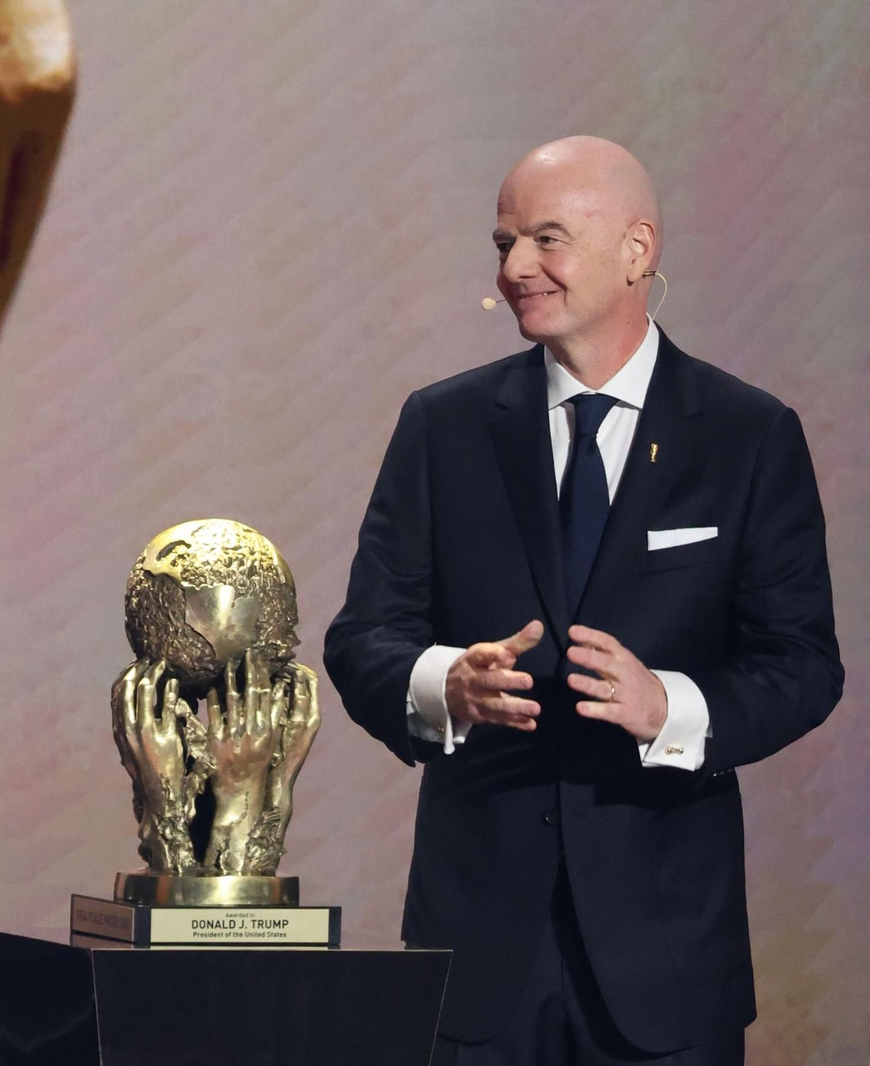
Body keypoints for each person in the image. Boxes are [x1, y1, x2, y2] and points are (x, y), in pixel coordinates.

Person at [324, 136, 842, 1065]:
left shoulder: (747, 435)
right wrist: (447, 685)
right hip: (478, 953)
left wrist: (669, 707)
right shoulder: (442, 427)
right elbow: (363, 637)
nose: (516, 267)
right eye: (503, 242)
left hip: (669, 960)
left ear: (637, 250)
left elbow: (802, 664)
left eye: (546, 239)